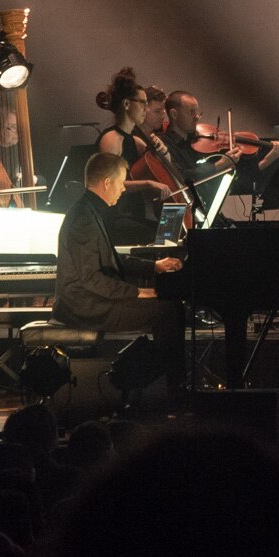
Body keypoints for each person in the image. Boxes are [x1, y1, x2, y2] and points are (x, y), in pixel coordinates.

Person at [53, 152, 186, 394]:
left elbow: (111, 259)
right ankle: (168, 388)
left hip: (88, 299)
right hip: (83, 306)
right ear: (106, 182)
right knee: (166, 311)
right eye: (121, 182)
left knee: (170, 307)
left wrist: (153, 266)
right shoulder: (84, 218)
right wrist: (136, 292)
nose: (123, 190)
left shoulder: (89, 210)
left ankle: (164, 383)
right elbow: (91, 279)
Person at [93, 69, 174, 244]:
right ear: (127, 104)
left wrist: (164, 151)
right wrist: (148, 184)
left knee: (173, 229)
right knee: (165, 239)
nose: (146, 109)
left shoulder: (136, 140)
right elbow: (108, 184)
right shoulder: (111, 139)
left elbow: (165, 170)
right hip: (118, 218)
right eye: (142, 103)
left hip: (135, 215)